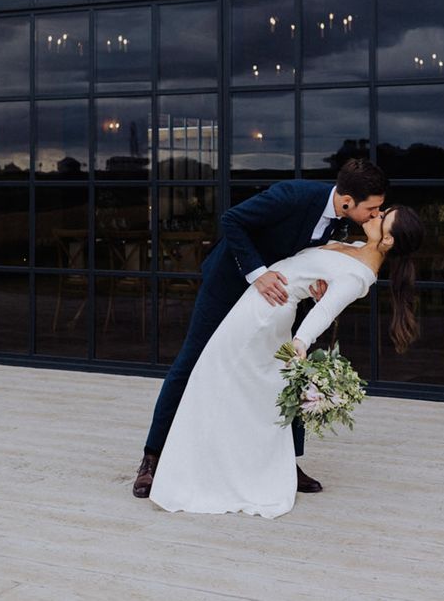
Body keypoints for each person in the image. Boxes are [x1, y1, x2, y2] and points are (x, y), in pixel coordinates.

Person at [133, 159, 389, 498]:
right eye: (372, 208)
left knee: (288, 371)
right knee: (191, 362)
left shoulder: (341, 223)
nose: (375, 216)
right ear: (346, 201)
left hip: (279, 302)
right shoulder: (294, 195)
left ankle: (285, 462)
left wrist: (316, 283)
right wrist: (258, 273)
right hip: (228, 286)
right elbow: (232, 220)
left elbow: (305, 257)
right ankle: (152, 458)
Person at [149, 205, 424, 518]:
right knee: (233, 387)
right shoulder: (359, 248)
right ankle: (218, 464)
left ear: (388, 242)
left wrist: (300, 343)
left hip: (266, 314)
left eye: (380, 218)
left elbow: (325, 311)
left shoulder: (359, 276)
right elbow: (317, 276)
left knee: (214, 378)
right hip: (265, 303)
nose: (373, 216)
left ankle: (209, 474)